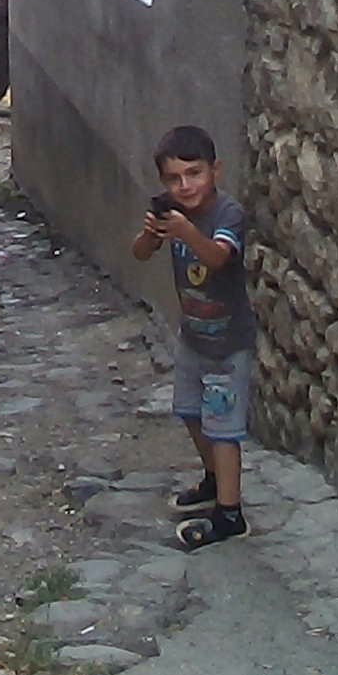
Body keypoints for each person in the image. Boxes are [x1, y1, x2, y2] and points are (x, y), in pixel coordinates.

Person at [130, 124, 257, 549]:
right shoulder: (174, 214)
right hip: (193, 336)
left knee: (223, 427)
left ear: (215, 170)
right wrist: (151, 233)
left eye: (194, 173)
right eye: (174, 178)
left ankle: (230, 513)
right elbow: (139, 253)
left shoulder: (227, 214)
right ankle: (214, 479)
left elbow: (218, 258)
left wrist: (186, 232)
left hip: (227, 343)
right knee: (190, 412)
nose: (185, 186)